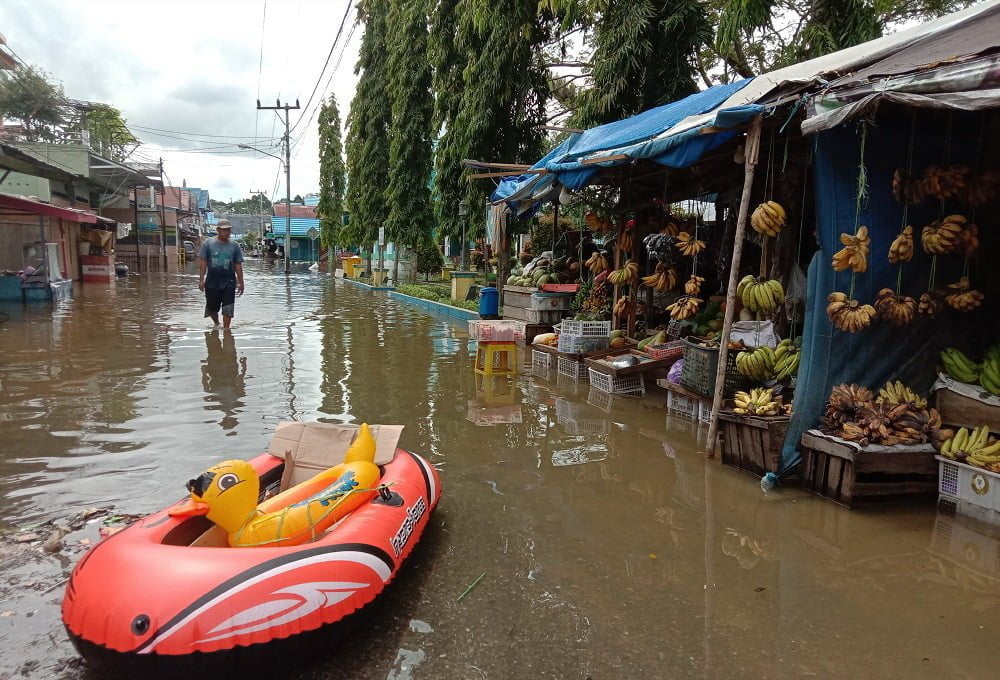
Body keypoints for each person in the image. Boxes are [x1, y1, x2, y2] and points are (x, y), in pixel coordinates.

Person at [199, 219, 245, 328]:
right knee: (211, 308)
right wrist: (201, 279)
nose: (226, 233)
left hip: (229, 281)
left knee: (228, 308)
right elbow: (203, 262)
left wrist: (241, 282)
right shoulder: (208, 244)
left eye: (228, 230)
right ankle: (216, 323)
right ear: (218, 230)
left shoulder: (234, 246)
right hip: (212, 281)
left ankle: (226, 330)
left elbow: (238, 264)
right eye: (224, 230)